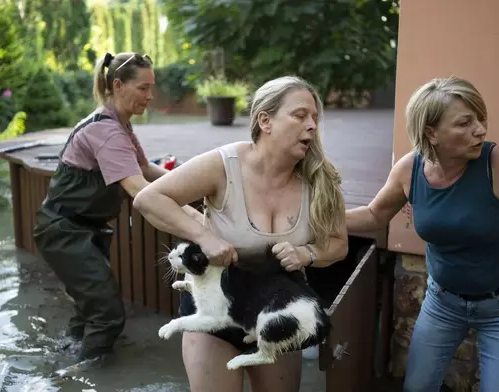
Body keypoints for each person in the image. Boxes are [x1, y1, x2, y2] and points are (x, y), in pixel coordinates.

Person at [346, 76, 499, 391]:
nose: (480, 129)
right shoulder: (410, 170)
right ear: (431, 133)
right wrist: (314, 222)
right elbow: (375, 214)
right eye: (465, 123)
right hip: (442, 303)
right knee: (417, 386)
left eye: (480, 118)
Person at [133, 75, 349, 392]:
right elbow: (148, 199)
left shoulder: (320, 179)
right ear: (265, 120)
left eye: (315, 117)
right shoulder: (223, 165)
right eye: (300, 115)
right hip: (213, 313)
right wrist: (205, 238)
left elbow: (339, 244)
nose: (312, 125)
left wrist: (308, 254)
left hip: (277, 311)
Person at [33, 51, 202, 363]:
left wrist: (195, 184)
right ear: (119, 85)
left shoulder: (118, 124)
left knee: (90, 308)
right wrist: (195, 223)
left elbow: (145, 169)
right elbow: (140, 191)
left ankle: (66, 357)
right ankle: (84, 377)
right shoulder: (107, 131)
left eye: (152, 88)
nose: (150, 96)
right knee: (108, 315)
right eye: (143, 88)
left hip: (81, 229)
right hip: (65, 231)